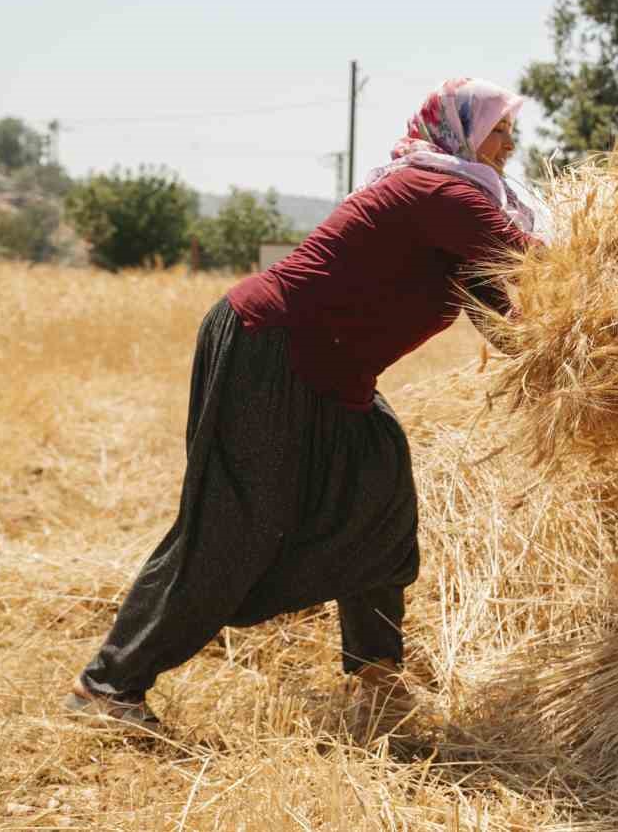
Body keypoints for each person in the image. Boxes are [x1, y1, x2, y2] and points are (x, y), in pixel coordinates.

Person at [65, 77, 539, 731]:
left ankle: (377, 682)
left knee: (379, 497)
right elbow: (543, 267)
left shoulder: (460, 204)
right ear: (462, 133)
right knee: (233, 530)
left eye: (514, 131)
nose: (512, 144)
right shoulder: (441, 192)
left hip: (330, 371)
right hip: (270, 352)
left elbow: (507, 308)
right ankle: (108, 688)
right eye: (501, 129)